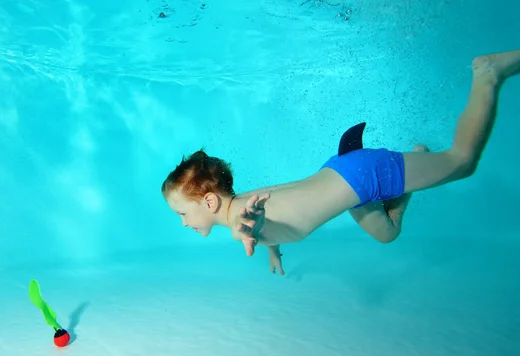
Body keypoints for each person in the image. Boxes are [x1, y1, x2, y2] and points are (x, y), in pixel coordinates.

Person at [161, 49, 520, 275]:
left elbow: (254, 222)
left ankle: (487, 74)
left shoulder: (243, 217)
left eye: (182, 214)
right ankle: (416, 162)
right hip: (346, 177)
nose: (182, 223)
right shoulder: (241, 206)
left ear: (209, 201)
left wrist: (251, 229)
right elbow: (264, 221)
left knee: (462, 162)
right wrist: (274, 252)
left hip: (364, 177)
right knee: (387, 234)